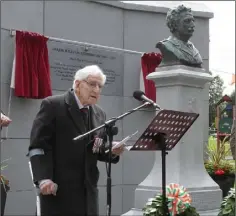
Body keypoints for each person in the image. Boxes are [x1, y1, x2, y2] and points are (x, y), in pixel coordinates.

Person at [28, 65, 124, 216]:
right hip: (58, 190)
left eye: (100, 86)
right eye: (92, 84)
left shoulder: (100, 114)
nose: (97, 90)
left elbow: (96, 149)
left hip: (88, 192)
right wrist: (43, 179)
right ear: (78, 84)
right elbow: (38, 146)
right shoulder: (53, 105)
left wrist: (111, 150)